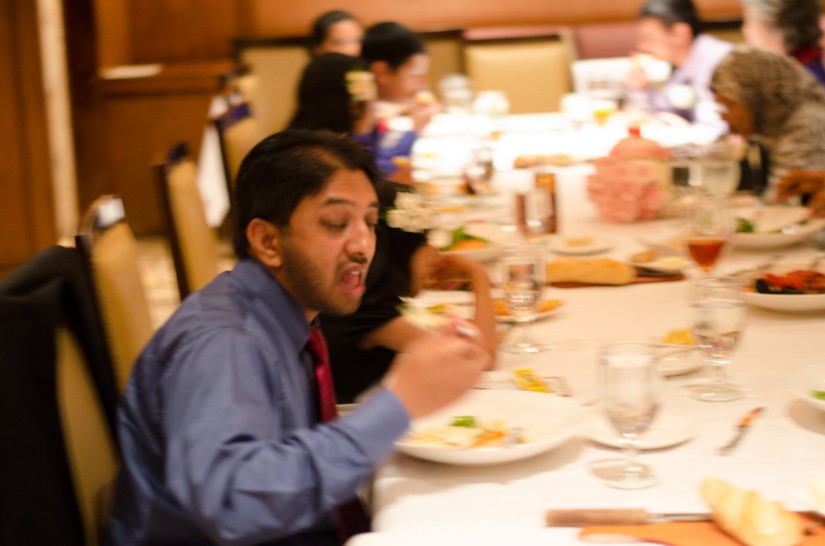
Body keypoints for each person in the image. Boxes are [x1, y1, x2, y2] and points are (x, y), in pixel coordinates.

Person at [108, 130, 490, 545]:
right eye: (336, 223)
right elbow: (234, 502)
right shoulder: (224, 344)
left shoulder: (289, 314)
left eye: (370, 222)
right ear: (269, 242)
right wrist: (399, 403)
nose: (364, 246)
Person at [322, 182, 498, 404]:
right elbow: (481, 356)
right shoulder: (369, 312)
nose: (435, 253)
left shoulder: (365, 300)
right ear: (401, 250)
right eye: (425, 241)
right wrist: (477, 275)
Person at [710, 45, 825, 200]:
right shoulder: (775, 125)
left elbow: (785, 206)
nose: (723, 116)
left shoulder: (808, 125)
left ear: (754, 95)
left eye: (729, 104)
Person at [287, 52, 413, 181]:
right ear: (353, 106)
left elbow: (382, 160)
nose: (374, 103)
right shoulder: (320, 159)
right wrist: (391, 184)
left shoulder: (304, 137)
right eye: (372, 95)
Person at [625, 0, 733, 137]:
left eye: (649, 38)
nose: (642, 46)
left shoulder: (719, 61)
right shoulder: (680, 68)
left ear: (680, 33)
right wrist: (639, 89)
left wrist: (684, 131)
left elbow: (720, 130)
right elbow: (661, 112)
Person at [361, 21, 441, 140]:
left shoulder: (371, 106)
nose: (424, 83)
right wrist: (415, 132)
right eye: (415, 73)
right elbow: (374, 158)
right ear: (381, 72)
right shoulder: (358, 115)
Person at [740, 0, 825, 85]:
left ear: (772, 23)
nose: (745, 30)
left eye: (749, 21)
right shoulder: (813, 65)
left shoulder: (796, 84)